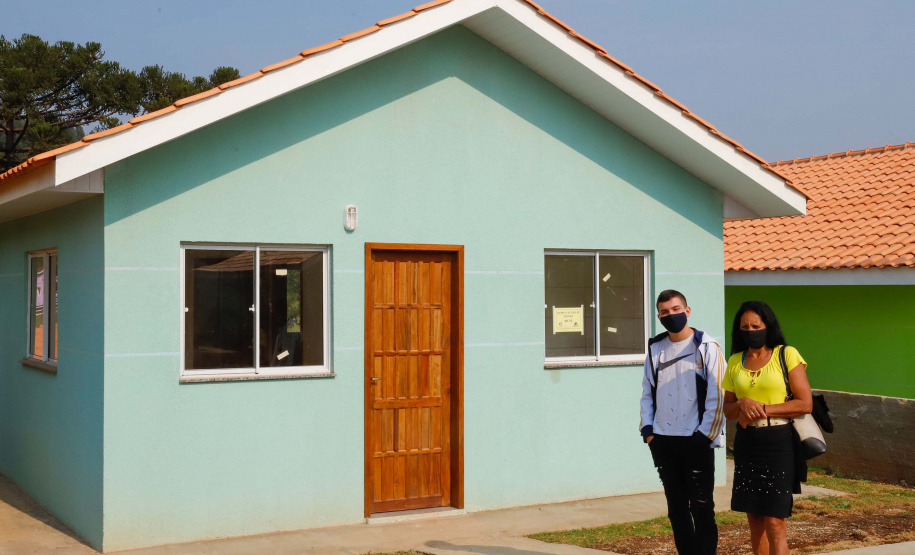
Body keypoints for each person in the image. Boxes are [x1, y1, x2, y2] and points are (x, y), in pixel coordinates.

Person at [640, 289, 726, 555]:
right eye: (665, 312)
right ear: (659, 316)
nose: (671, 315)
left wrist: (705, 436)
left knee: (701, 507)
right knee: (676, 509)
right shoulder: (656, 348)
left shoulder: (706, 347)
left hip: (696, 440)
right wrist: (648, 432)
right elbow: (647, 392)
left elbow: (719, 394)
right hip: (663, 441)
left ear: (687, 311)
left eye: (676, 309)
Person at [722, 301, 813, 555]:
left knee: (775, 520)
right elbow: (728, 410)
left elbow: (805, 403)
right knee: (755, 519)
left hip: (778, 443)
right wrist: (742, 403)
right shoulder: (735, 361)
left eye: (756, 325)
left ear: (767, 326)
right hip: (748, 443)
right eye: (744, 327)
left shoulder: (787, 354)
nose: (751, 331)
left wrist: (760, 408)